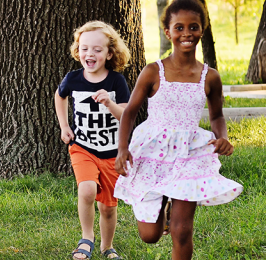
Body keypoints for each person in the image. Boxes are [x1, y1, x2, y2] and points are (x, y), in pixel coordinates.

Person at [114, 1, 243, 259]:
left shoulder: (210, 77)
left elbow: (216, 115)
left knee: (182, 231)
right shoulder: (153, 71)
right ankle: (163, 202)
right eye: (179, 27)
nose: (187, 33)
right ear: (167, 32)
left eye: (193, 27)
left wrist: (223, 138)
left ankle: (177, 206)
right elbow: (129, 112)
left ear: (202, 31)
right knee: (149, 236)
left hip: (190, 152)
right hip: (153, 149)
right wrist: (122, 148)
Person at [54, 21, 131, 260]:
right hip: (82, 148)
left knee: (108, 207)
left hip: (111, 152)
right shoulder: (73, 78)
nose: (90, 54)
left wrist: (109, 103)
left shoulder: (116, 82)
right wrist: (64, 126)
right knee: (86, 190)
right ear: (78, 51)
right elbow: (59, 96)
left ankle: (107, 247)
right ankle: (86, 238)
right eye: (85, 48)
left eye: (97, 50)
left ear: (109, 53)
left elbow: (126, 115)